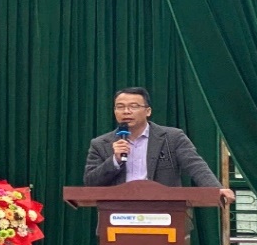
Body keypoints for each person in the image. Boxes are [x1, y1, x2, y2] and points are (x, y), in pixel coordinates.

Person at [83, 87, 235, 205]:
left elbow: (195, 165)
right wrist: (114, 160)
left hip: (165, 212)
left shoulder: (172, 137)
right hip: (117, 215)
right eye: (120, 107)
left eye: (133, 106)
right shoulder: (100, 144)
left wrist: (216, 189)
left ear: (148, 111)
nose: (126, 111)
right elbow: (90, 182)